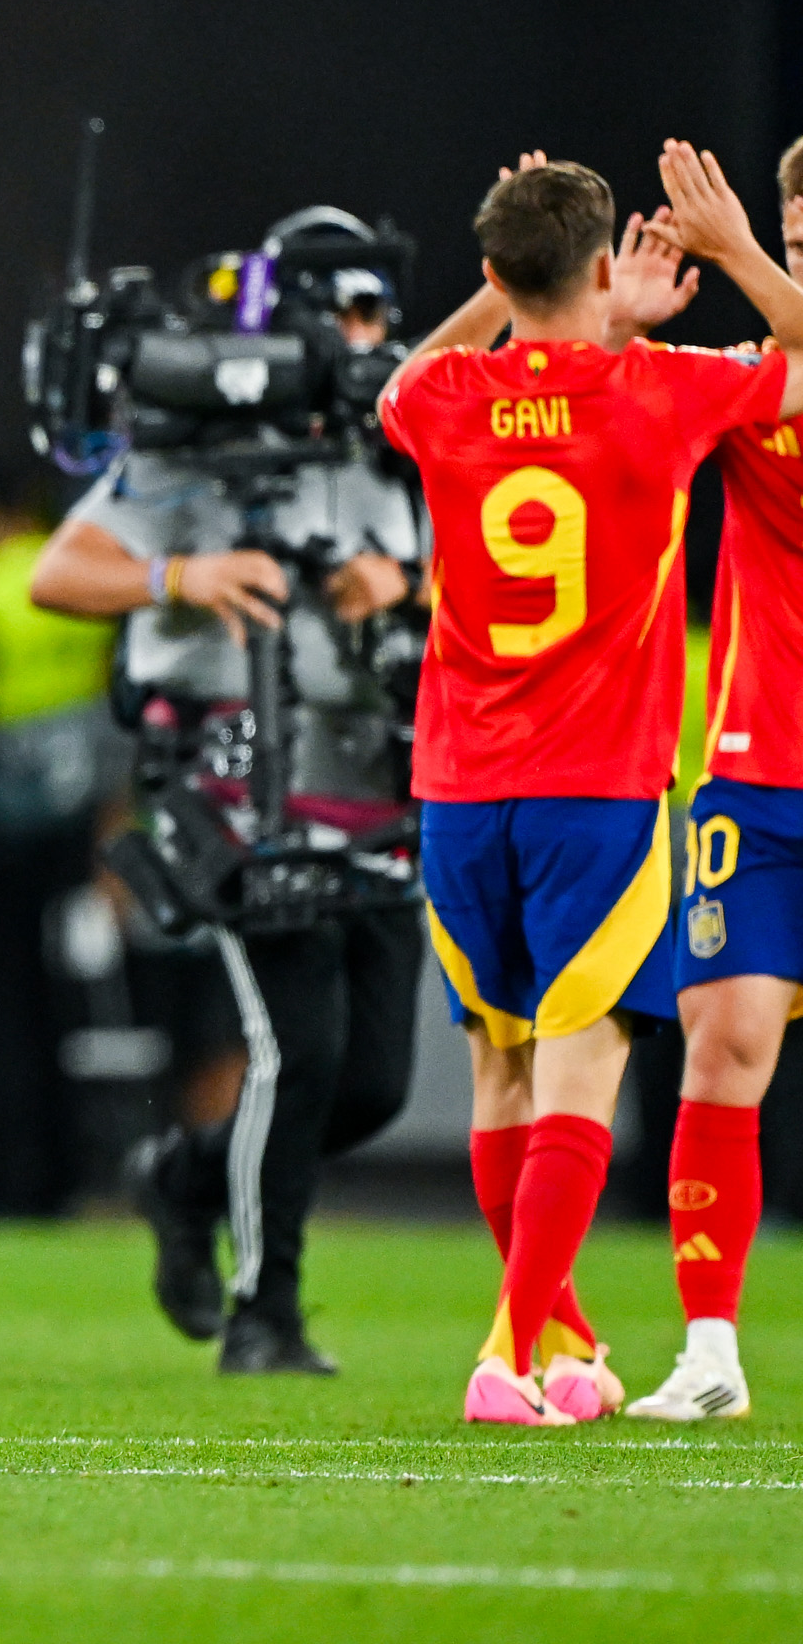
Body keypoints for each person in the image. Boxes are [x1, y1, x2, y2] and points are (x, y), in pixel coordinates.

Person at [377, 151, 803, 1425]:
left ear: (498, 271)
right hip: (600, 790)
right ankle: (512, 1349)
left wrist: (528, 298)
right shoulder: (661, 391)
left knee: (501, 1071)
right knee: (581, 1075)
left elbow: (398, 380)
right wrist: (728, 259)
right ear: (607, 264)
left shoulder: (447, 395)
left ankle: (562, 1340)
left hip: (460, 789)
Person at [32, 267, 428, 1369]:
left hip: (376, 780)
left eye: (376, 316)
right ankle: (267, 1311)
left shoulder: (404, 446)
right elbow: (59, 572)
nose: (363, 338)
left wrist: (404, 585)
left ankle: (186, 1176)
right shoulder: (202, 446)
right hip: (240, 778)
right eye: (344, 314)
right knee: (298, 1049)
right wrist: (183, 572)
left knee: (371, 1085)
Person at [624, 137, 803, 1422]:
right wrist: (611, 326)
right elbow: (600, 401)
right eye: (798, 240)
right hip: (757, 768)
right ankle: (709, 1348)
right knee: (724, 1037)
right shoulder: (749, 383)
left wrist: (737, 252)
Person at [0, 463, 119, 1216]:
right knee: (61, 1001)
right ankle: (66, 1166)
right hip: (74, 823)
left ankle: (10, 1174)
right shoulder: (79, 578)